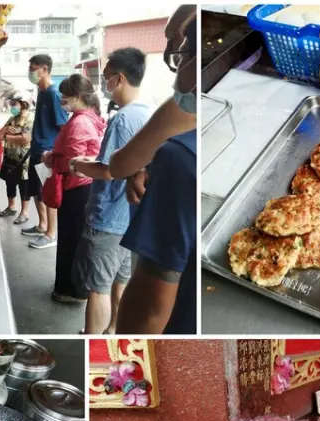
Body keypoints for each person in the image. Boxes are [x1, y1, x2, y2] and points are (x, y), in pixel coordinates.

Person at [115, 15, 197, 334]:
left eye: (181, 52)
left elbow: (149, 309)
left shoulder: (179, 153)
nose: (175, 68)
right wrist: (152, 167)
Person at [70, 48, 152, 334]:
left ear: (119, 78)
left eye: (105, 77)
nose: (104, 84)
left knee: (98, 288)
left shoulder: (122, 119)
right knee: (121, 281)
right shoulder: (148, 114)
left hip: (108, 216)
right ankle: (114, 332)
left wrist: (78, 164)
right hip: (132, 219)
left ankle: (91, 340)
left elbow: (108, 169)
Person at [41, 74, 105, 303]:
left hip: (76, 187)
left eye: (65, 96)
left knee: (71, 240)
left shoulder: (79, 122)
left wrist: (50, 158)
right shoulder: (91, 117)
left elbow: (72, 162)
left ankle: (70, 290)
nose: (62, 101)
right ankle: (73, 287)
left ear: (77, 97)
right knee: (75, 239)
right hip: (84, 187)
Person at [24, 55, 69, 249]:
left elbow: (64, 127)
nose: (30, 72)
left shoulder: (53, 93)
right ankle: (42, 225)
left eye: (33, 68)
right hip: (36, 150)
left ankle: (51, 234)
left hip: (46, 154)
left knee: (48, 194)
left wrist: (54, 152)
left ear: (44, 69)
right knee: (36, 192)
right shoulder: (41, 92)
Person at [0, 91, 32, 217]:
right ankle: (11, 207)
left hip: (24, 160)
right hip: (10, 157)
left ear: (24, 104)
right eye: (11, 104)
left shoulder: (30, 118)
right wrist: (5, 130)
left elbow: (25, 139)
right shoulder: (12, 119)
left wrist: (7, 137)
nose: (12, 107)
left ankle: (24, 213)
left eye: (14, 104)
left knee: (24, 186)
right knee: (10, 183)